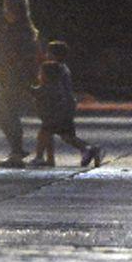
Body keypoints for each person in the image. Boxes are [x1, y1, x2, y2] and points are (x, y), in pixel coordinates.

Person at [28, 40, 102, 168]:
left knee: (45, 132)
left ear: (53, 54)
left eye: (48, 52)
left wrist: (30, 89)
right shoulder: (63, 68)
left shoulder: (53, 68)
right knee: (65, 135)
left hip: (57, 109)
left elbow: (48, 88)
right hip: (64, 107)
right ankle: (86, 149)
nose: (46, 55)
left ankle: (40, 157)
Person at [0, 0, 40, 168]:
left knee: (3, 110)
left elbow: (17, 57)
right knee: (5, 111)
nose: (5, 12)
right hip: (13, 77)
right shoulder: (22, 29)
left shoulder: (18, 32)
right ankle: (16, 149)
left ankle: (16, 151)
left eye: (7, 8)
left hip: (14, 77)